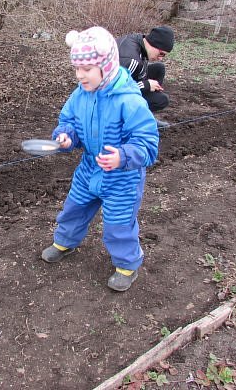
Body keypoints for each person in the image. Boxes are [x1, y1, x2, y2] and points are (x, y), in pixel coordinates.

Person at [40, 26, 159, 292]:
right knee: (75, 207)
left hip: (122, 178)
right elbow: (68, 121)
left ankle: (128, 265)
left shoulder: (129, 101)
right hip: (90, 168)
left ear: (106, 66)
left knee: (118, 222)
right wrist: (66, 136)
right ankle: (64, 242)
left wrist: (123, 156)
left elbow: (148, 145)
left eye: (87, 70)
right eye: (76, 69)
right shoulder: (80, 94)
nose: (80, 76)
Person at [116, 25, 175, 128]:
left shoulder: (139, 41)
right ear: (154, 44)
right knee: (161, 100)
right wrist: (146, 85)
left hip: (128, 80)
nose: (161, 58)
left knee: (159, 68)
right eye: (161, 54)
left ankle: (146, 115)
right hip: (111, 101)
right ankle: (133, 119)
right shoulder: (131, 60)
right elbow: (116, 90)